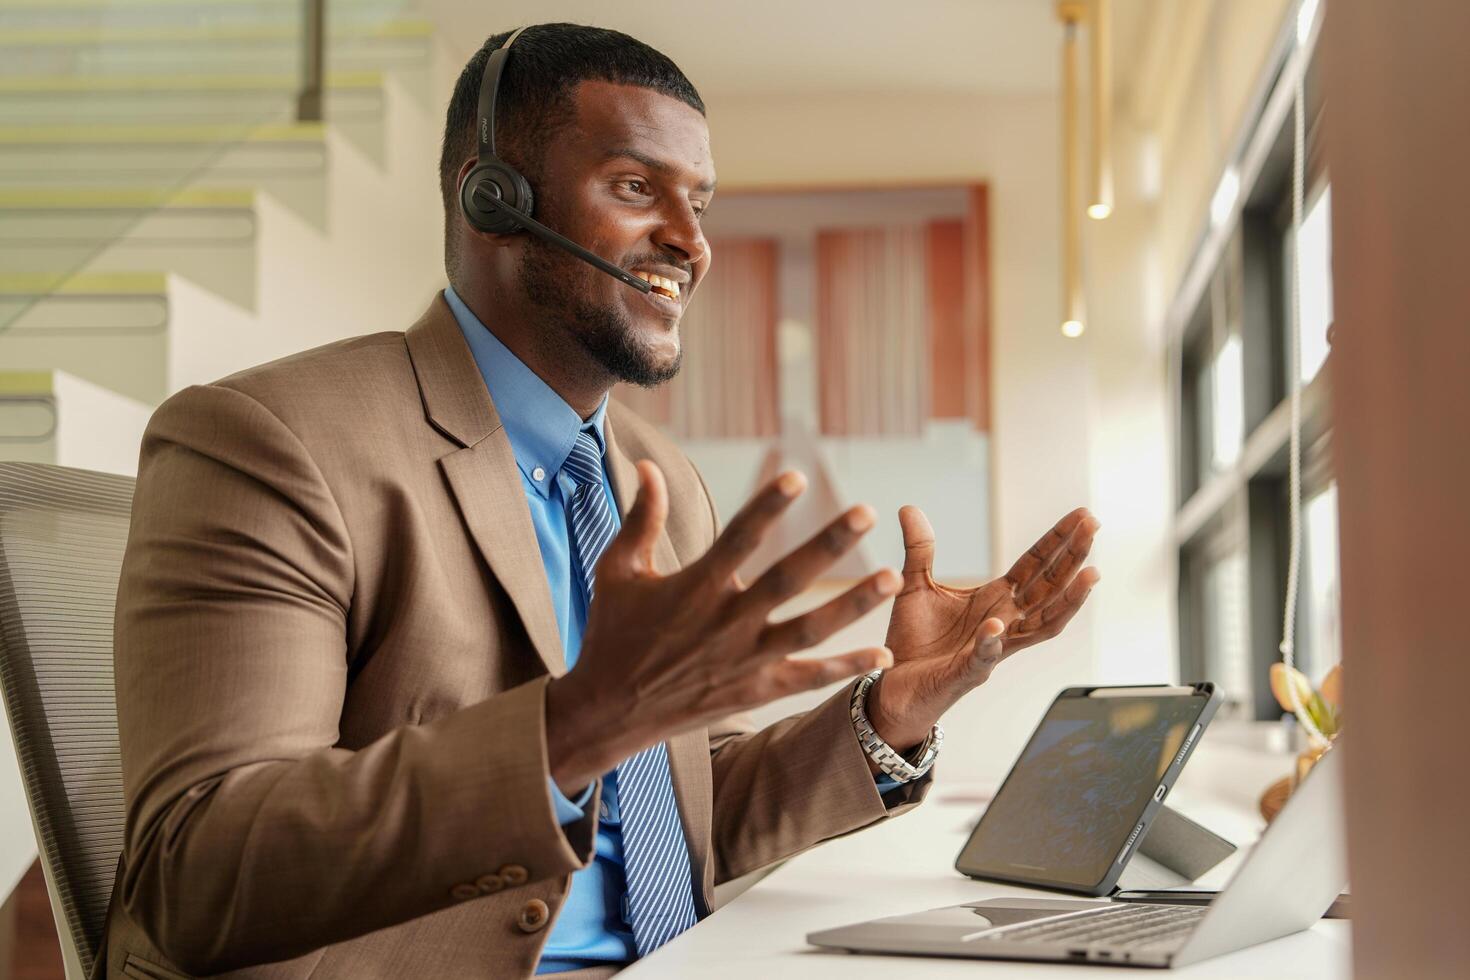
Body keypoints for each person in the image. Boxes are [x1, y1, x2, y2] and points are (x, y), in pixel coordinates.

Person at [101, 23, 1099, 980]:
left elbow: (683, 815)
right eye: (635, 187)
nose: (690, 243)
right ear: (492, 198)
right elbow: (200, 874)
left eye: (700, 203)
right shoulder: (272, 441)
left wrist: (890, 709)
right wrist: (572, 725)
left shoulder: (661, 482)